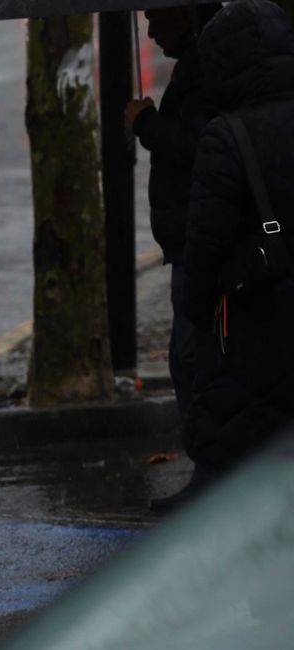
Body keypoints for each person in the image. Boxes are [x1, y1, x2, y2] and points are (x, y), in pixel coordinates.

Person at [180, 0, 294, 502]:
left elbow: (205, 245)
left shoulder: (227, 137)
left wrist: (196, 307)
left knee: (250, 446)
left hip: (257, 317)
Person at [121, 4, 220, 512]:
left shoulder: (208, 64)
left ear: (188, 13)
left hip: (202, 241)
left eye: (157, 16)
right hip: (191, 239)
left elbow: (201, 146)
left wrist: (148, 124)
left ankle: (212, 476)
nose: (150, 29)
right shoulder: (198, 59)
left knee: (193, 359)